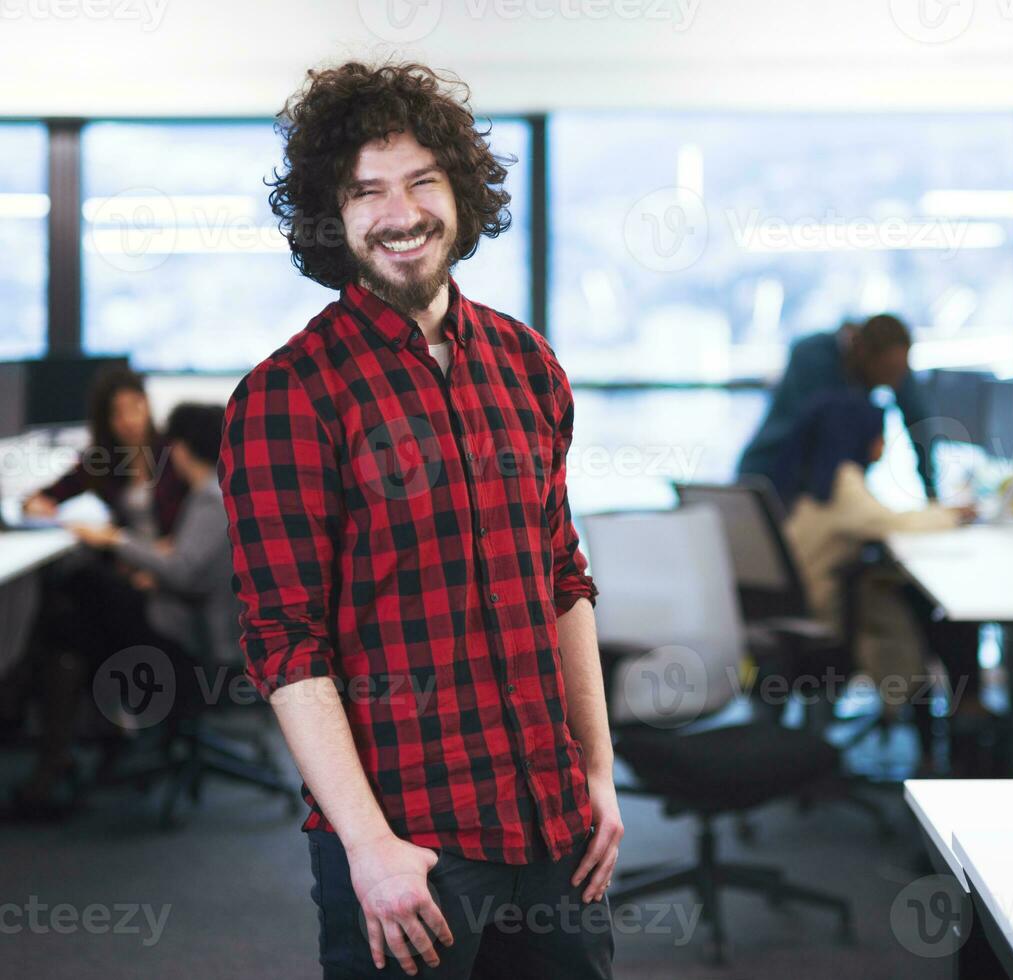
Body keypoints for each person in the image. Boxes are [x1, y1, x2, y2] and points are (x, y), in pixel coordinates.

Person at [219, 62, 618, 979]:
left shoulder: (527, 364)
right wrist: (367, 847)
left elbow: (564, 577)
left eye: (422, 181)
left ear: (460, 193)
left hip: (556, 828)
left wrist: (597, 775)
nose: (401, 213)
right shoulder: (289, 396)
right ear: (333, 215)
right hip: (412, 849)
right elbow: (287, 644)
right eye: (367, 191)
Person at [11, 403, 231, 817]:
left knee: (76, 594)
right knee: (74, 618)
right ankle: (89, 729)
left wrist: (114, 541)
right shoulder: (214, 491)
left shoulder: (209, 500)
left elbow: (183, 572)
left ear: (180, 449)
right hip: (192, 619)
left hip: (192, 635)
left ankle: (63, 733)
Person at [776, 392, 969, 729]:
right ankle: (953, 716)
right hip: (823, 611)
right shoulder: (841, 484)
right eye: (879, 437)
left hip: (790, 608)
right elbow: (891, 523)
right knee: (920, 610)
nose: (881, 448)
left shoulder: (806, 477)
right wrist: (952, 515)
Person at [738, 314, 939, 501]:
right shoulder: (813, 358)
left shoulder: (889, 360)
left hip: (819, 490)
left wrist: (933, 496)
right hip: (769, 477)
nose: (895, 382)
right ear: (862, 352)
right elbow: (823, 441)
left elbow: (918, 423)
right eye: (889, 372)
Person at [22, 365, 187, 536]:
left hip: (169, 558)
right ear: (106, 420)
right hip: (126, 557)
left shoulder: (175, 453)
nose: (129, 420)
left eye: (135, 407)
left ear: (146, 404)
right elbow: (48, 495)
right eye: (118, 413)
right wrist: (33, 504)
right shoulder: (103, 460)